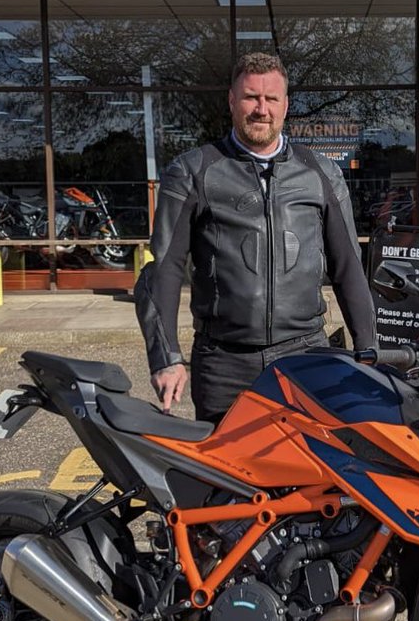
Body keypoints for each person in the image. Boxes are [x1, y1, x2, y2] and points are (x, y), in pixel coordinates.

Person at [134, 52, 377, 424]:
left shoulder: (321, 173)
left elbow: (348, 269)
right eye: (250, 97)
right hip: (223, 363)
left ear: (286, 106)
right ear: (232, 101)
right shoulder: (192, 171)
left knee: (310, 474)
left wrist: (369, 350)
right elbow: (163, 270)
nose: (261, 109)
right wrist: (166, 358)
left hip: (305, 356)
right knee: (227, 479)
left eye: (271, 99)